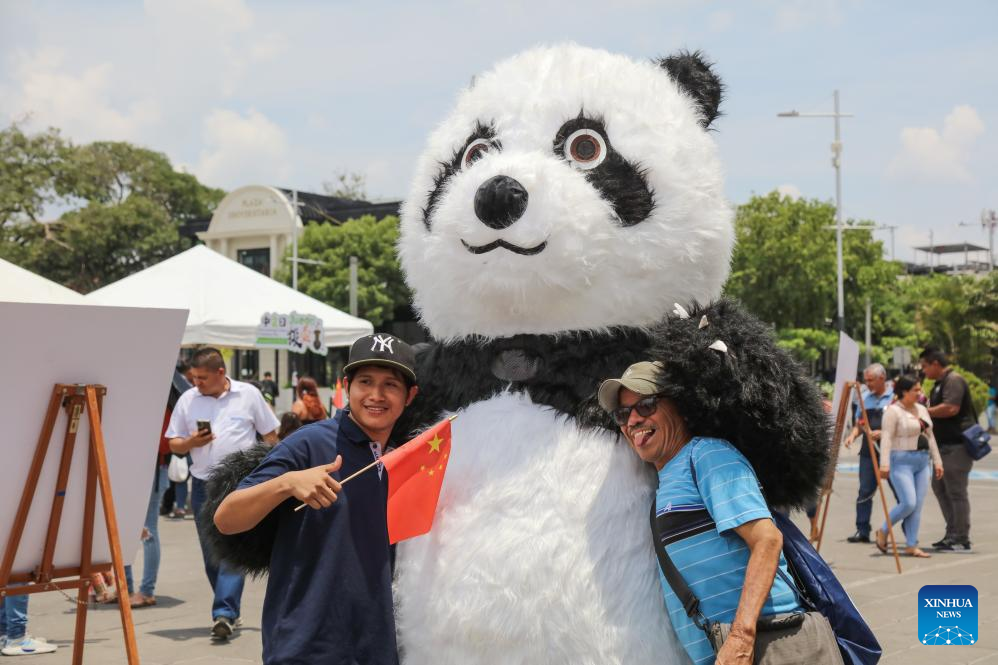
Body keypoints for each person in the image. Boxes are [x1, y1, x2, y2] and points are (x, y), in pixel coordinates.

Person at [213, 333, 418, 665]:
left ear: (410, 396)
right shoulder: (309, 443)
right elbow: (226, 518)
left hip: (378, 647)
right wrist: (287, 483)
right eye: (365, 382)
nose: (376, 395)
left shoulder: (409, 457)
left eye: (390, 385)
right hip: (306, 646)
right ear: (347, 387)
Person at [598, 361, 807, 665]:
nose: (632, 420)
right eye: (622, 413)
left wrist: (741, 637)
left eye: (645, 405)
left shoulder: (707, 455)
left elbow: (767, 540)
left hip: (766, 643)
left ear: (680, 405)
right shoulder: (664, 482)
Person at [167, 347, 280, 640]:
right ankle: (228, 608)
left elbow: (270, 435)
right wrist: (191, 441)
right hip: (203, 484)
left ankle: (224, 613)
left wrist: (264, 467)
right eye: (193, 378)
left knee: (231, 548)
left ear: (221, 373)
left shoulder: (248, 395)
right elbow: (173, 444)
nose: (196, 384)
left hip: (239, 484)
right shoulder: (188, 400)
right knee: (211, 554)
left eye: (202, 378)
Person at [124, 368, 191, 607]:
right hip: (136, 469)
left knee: (147, 530)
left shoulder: (160, 398)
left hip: (151, 469)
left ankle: (146, 590)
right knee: (123, 530)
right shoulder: (149, 398)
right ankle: (125, 588)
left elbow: (165, 443)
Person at [873, 375, 943, 558]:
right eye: (916, 390)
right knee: (908, 502)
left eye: (919, 390)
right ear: (904, 392)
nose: (920, 393)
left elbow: (930, 436)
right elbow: (886, 437)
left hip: (922, 461)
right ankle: (883, 529)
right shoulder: (893, 411)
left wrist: (938, 461)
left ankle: (912, 544)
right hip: (900, 461)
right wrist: (884, 464)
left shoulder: (921, 409)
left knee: (917, 505)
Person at [919, 347, 975, 551]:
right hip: (943, 448)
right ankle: (952, 533)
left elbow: (951, 408)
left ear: (935, 363)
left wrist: (923, 412)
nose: (923, 371)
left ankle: (961, 537)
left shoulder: (954, 380)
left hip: (956, 447)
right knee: (941, 488)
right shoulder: (939, 384)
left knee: (956, 492)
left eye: (924, 366)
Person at [843, 363, 895, 543]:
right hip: (868, 451)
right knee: (865, 491)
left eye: (870, 380)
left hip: (890, 451)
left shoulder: (894, 398)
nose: (867, 384)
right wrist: (853, 435)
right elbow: (860, 422)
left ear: (882, 378)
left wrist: (883, 432)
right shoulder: (865, 397)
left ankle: (899, 531)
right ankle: (862, 529)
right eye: (865, 380)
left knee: (899, 492)